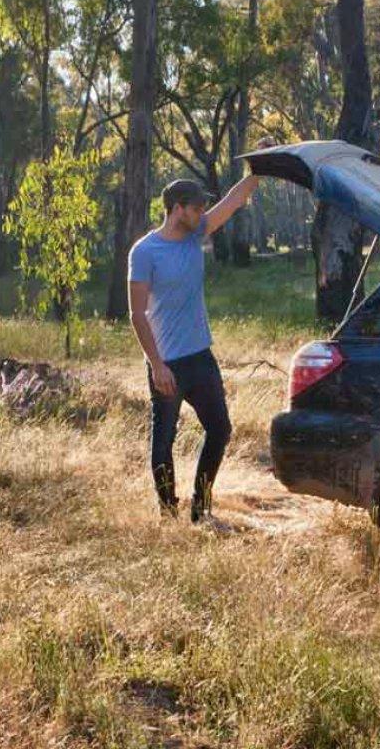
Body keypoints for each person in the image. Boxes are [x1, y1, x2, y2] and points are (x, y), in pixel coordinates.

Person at [129, 171, 260, 522]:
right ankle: (168, 512)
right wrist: (156, 365)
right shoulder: (144, 252)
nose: (204, 213)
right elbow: (137, 314)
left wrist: (258, 170)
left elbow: (233, 202)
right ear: (177, 209)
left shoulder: (195, 233)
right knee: (164, 440)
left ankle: (200, 508)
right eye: (197, 207)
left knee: (220, 429)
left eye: (204, 207)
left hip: (200, 356)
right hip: (167, 362)